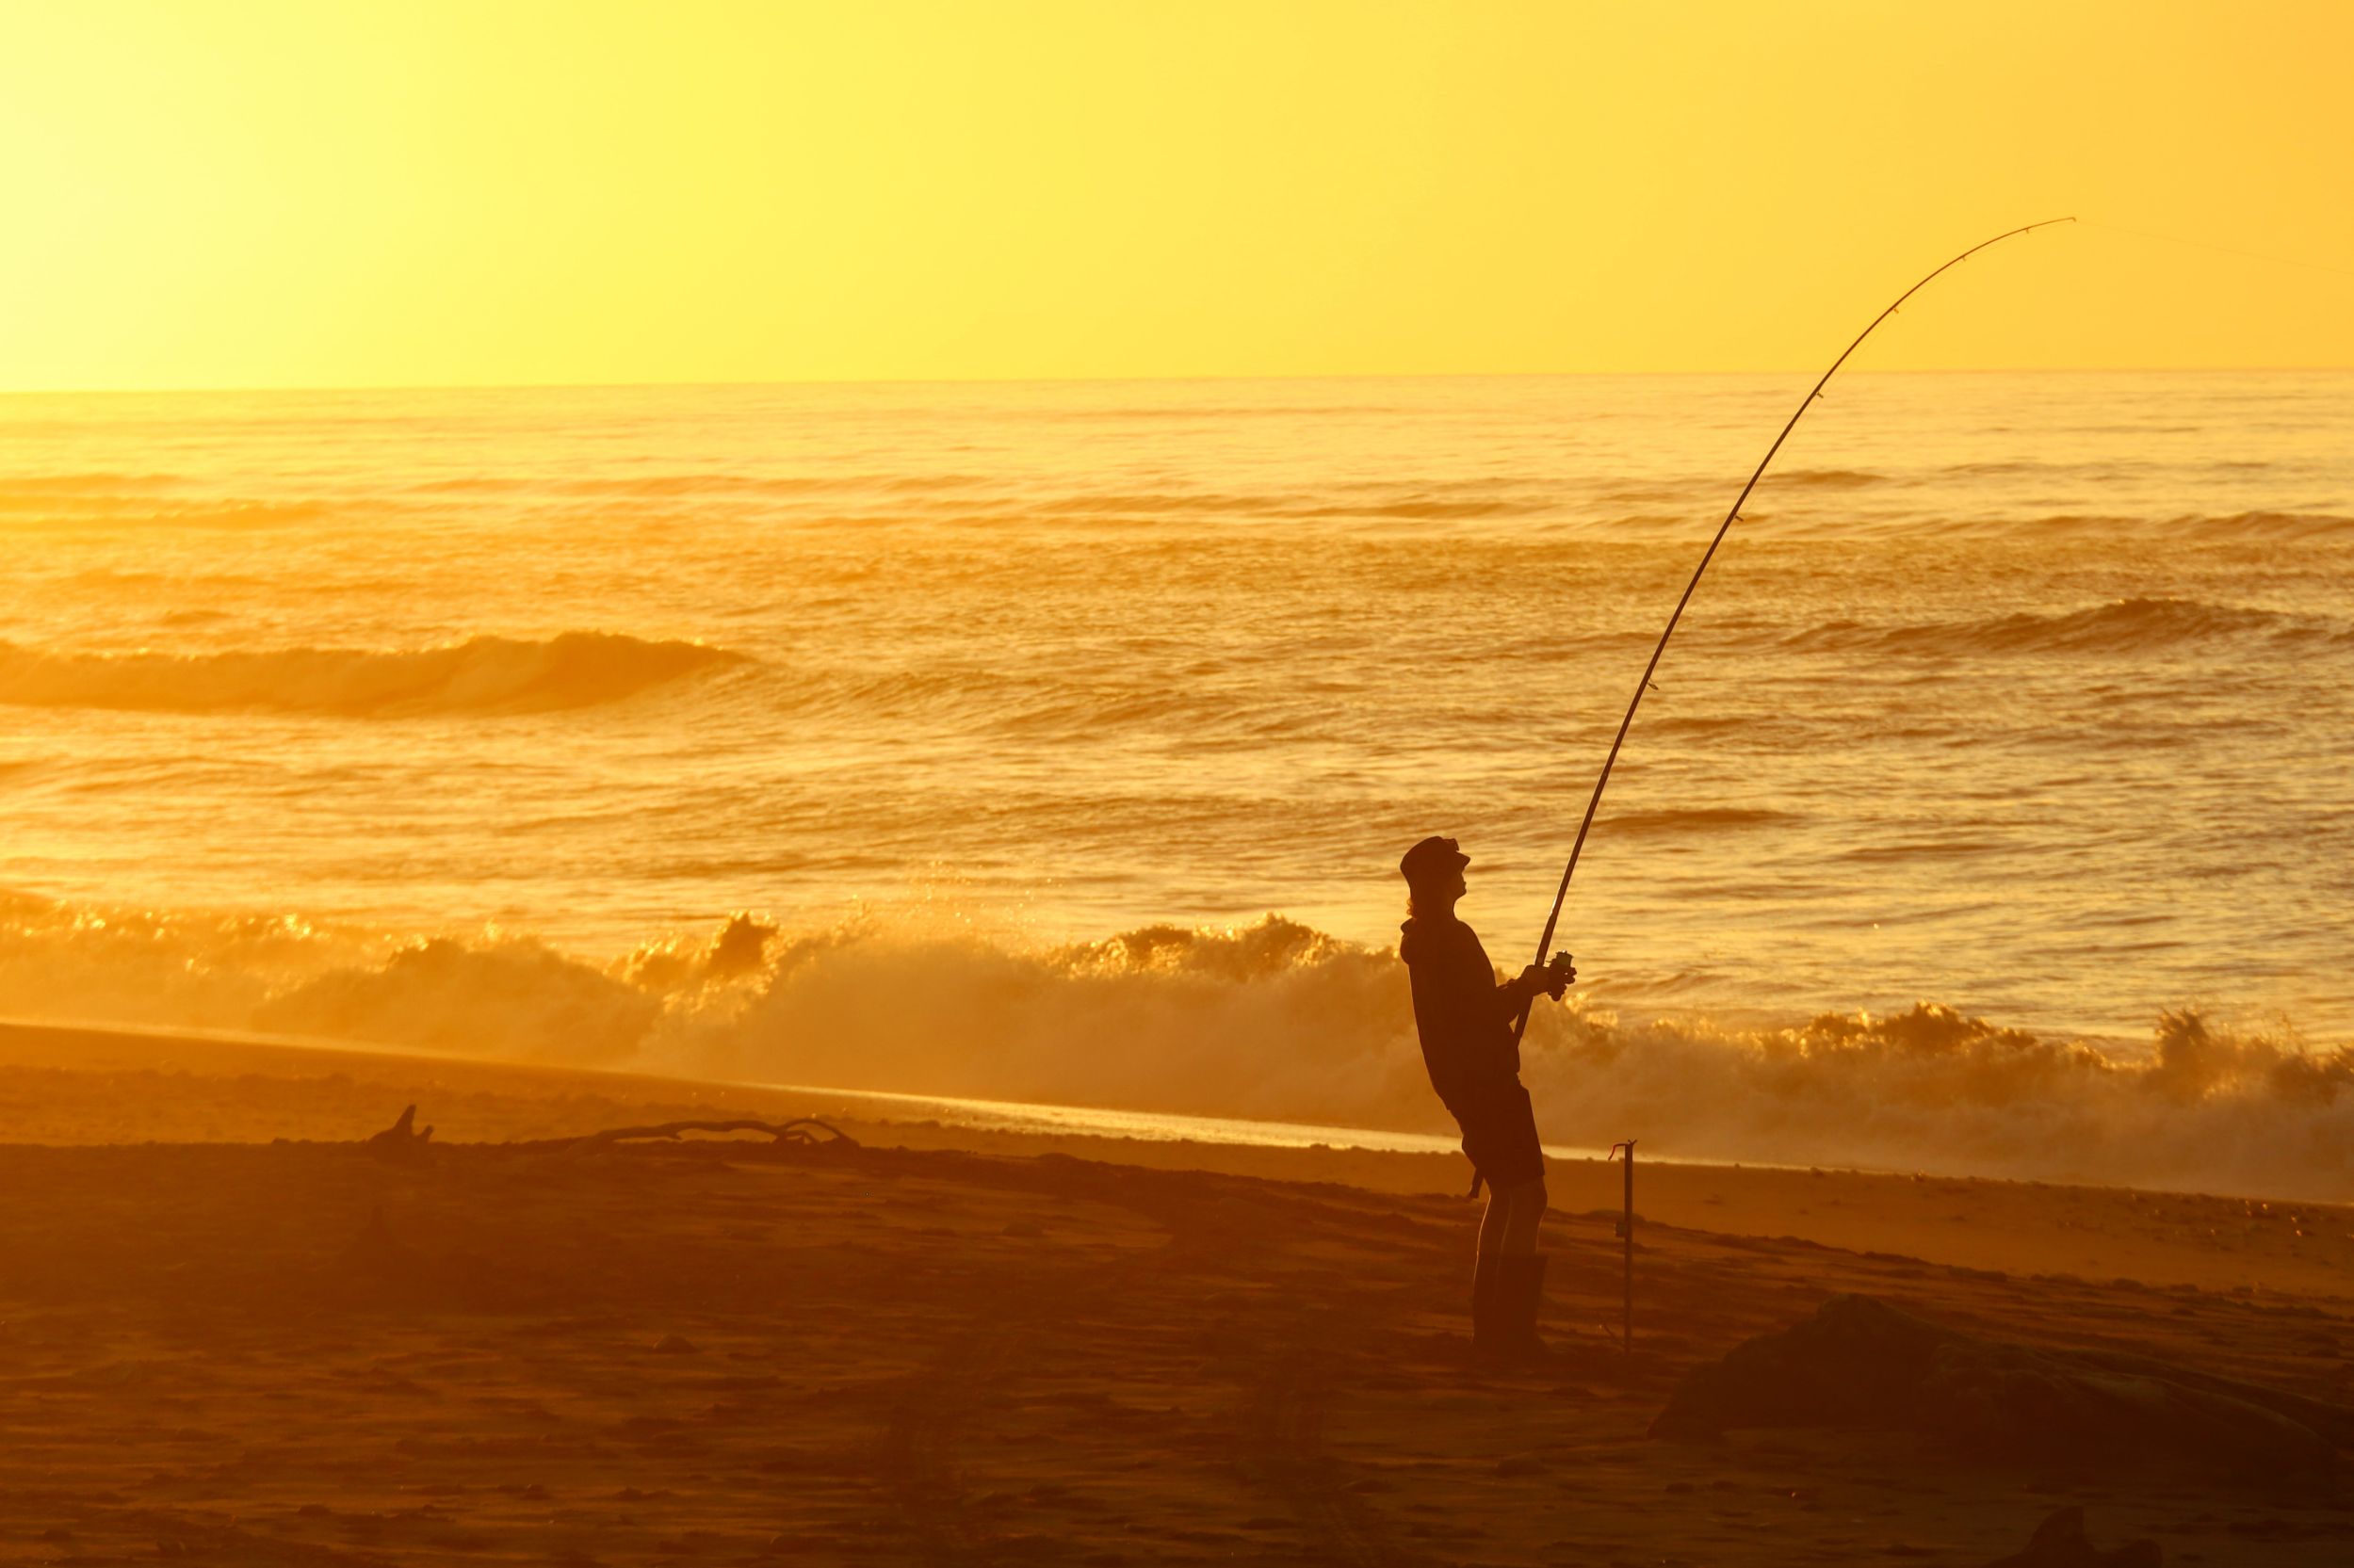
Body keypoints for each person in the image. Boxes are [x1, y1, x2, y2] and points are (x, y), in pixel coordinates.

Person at [1397, 834, 1572, 1361]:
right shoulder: (1451, 938)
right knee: (1529, 1196)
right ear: (1440, 883)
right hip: (1488, 1081)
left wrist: (1530, 985)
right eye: (1455, 869)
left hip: (1460, 1082)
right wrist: (1530, 985)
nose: (1463, 873)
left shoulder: (1423, 939)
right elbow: (1484, 1015)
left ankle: (1491, 1332)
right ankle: (1510, 1335)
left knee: (1505, 1193)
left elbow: (1470, 1012)